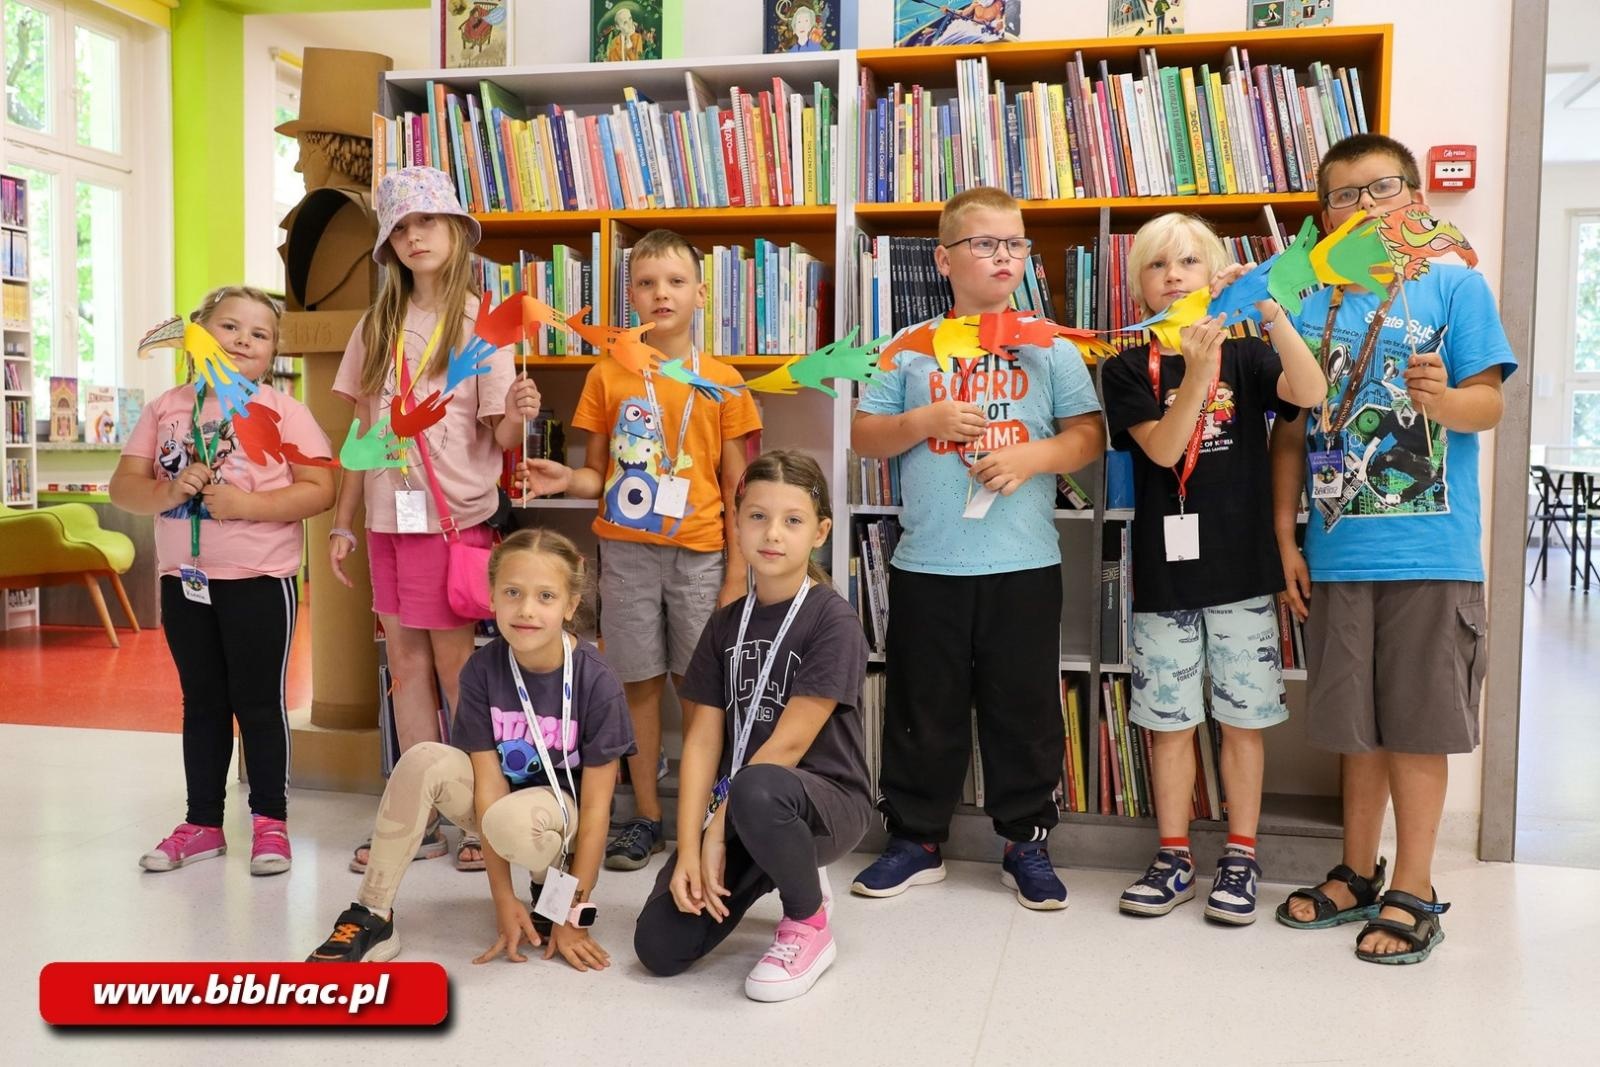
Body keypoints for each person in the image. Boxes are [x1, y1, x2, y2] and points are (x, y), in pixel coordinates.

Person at [1270, 134, 1516, 964]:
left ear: (1414, 197)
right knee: (1353, 728)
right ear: (1324, 216)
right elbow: (1292, 434)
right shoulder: (1312, 301)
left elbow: (1489, 406)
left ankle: (1415, 885)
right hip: (1338, 551)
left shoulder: (1455, 285)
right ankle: (1357, 867)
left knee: (1416, 726)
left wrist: (1446, 398)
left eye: (1383, 189)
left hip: (1430, 551)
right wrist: (1285, 536)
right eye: (1344, 195)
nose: (1366, 206)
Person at [849, 186, 1105, 909]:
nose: (1005, 257)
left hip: (1023, 563)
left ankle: (1025, 839)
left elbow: (1088, 437)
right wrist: (923, 417)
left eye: (1016, 244)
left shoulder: (1048, 342)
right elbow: (864, 436)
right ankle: (916, 838)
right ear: (944, 258)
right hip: (927, 562)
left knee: (1023, 707)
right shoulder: (907, 346)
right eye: (986, 243)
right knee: (921, 706)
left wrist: (1033, 458)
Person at [1099, 213, 1326, 924]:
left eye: (1190, 262)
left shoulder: (1252, 354)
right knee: (1169, 722)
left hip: (1243, 572)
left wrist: (1268, 308)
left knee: (1242, 720)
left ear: (1212, 273)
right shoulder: (1126, 366)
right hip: (1166, 578)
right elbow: (1165, 452)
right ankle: (1173, 855)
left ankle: (1241, 855)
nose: (1174, 275)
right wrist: (1196, 370)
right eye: (1158, 266)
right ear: (1139, 286)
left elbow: (1311, 391)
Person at [520, 228, 762, 872]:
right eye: (648, 283)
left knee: (701, 686)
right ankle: (648, 816)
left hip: (701, 554)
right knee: (636, 685)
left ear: (701, 293)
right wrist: (565, 479)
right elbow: (596, 473)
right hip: (624, 554)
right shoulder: (609, 373)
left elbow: (740, 486)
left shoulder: (723, 380)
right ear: (630, 296)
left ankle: (706, 816)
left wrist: (738, 572)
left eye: (676, 282)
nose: (662, 294)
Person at [330, 165, 540, 873]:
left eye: (428, 222)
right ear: (389, 245)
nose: (415, 236)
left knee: (459, 675)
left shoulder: (481, 325)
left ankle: (485, 816)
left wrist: (516, 414)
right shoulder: (377, 323)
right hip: (389, 524)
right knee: (404, 671)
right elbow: (361, 435)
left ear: (456, 231)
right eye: (401, 228)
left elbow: (502, 441)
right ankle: (420, 815)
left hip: (451, 528)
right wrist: (342, 521)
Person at [306, 530, 635, 968]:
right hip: (498, 807)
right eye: (513, 593)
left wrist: (576, 913)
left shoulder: (597, 681)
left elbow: (596, 813)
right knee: (424, 758)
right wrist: (501, 898)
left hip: (561, 821)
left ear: (570, 606)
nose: (527, 610)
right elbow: (487, 788)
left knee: (519, 822)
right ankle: (371, 914)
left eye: (546, 596)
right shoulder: (483, 668)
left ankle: (550, 893)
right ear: (492, 598)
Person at [112, 286, 336, 876]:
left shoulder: (285, 411)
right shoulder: (166, 407)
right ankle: (202, 824)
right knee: (202, 702)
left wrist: (245, 506)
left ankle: (270, 823)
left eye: (258, 335)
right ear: (196, 336)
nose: (242, 340)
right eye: (229, 327)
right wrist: (167, 490)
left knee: (259, 703)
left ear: (271, 354)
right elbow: (123, 488)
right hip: (184, 580)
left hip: (260, 578)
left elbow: (320, 489)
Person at [634, 451, 869, 1002]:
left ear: (820, 532)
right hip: (739, 807)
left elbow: (788, 744)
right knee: (660, 947)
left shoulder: (832, 619)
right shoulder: (724, 625)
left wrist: (717, 828)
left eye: (793, 520)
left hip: (823, 804)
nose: (772, 533)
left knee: (757, 788)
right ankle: (779, 865)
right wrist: (689, 846)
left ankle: (808, 921)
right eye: (757, 516)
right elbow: (702, 740)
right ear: (736, 524)